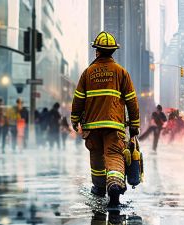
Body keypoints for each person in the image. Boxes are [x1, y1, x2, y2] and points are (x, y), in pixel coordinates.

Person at [71, 31, 140, 208]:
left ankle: (100, 188)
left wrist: (75, 119)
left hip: (92, 127)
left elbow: (78, 99)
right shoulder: (121, 72)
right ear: (112, 51)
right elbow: (132, 101)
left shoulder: (88, 73)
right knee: (114, 156)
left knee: (97, 159)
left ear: (97, 51)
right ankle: (115, 186)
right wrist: (134, 126)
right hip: (114, 125)